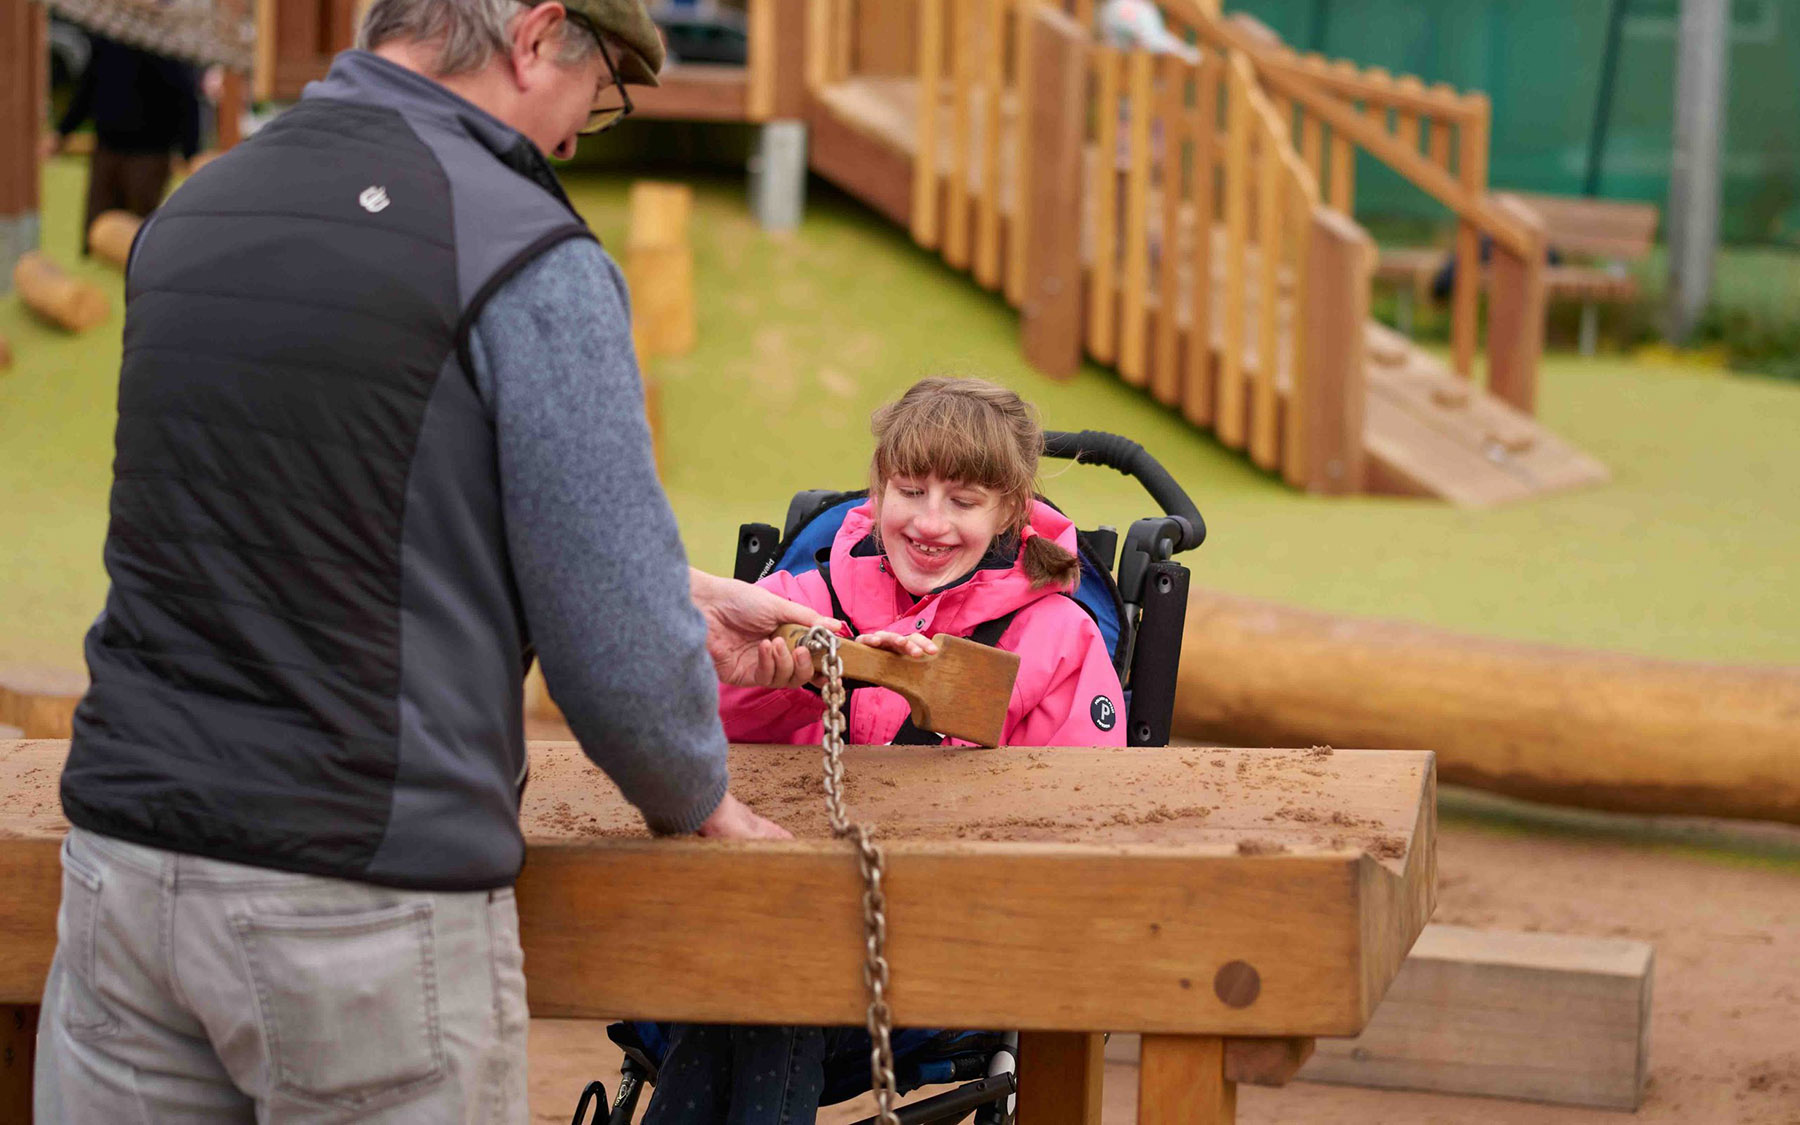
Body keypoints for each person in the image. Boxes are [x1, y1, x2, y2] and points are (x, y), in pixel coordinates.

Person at [36, 1, 828, 1121]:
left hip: (122, 867)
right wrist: (697, 789)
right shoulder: (525, 248)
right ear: (537, 34)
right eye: (595, 97)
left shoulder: (196, 205)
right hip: (359, 898)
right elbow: (615, 656)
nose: (569, 137)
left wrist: (663, 591)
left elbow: (309, 510)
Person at [643, 377, 1127, 1124]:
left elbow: (1081, 815)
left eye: (963, 501)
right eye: (911, 490)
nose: (930, 522)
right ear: (877, 492)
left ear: (1009, 511)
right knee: (743, 979)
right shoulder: (803, 602)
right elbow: (704, 730)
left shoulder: (1057, 638)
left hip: (945, 945)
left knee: (760, 990)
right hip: (777, 923)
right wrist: (796, 682)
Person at [47, 33, 203, 253]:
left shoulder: (166, 41)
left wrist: (191, 151)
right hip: (107, 148)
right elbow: (87, 89)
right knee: (96, 232)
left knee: (136, 237)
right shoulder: (108, 38)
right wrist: (62, 132)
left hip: (149, 154)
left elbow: (187, 98)